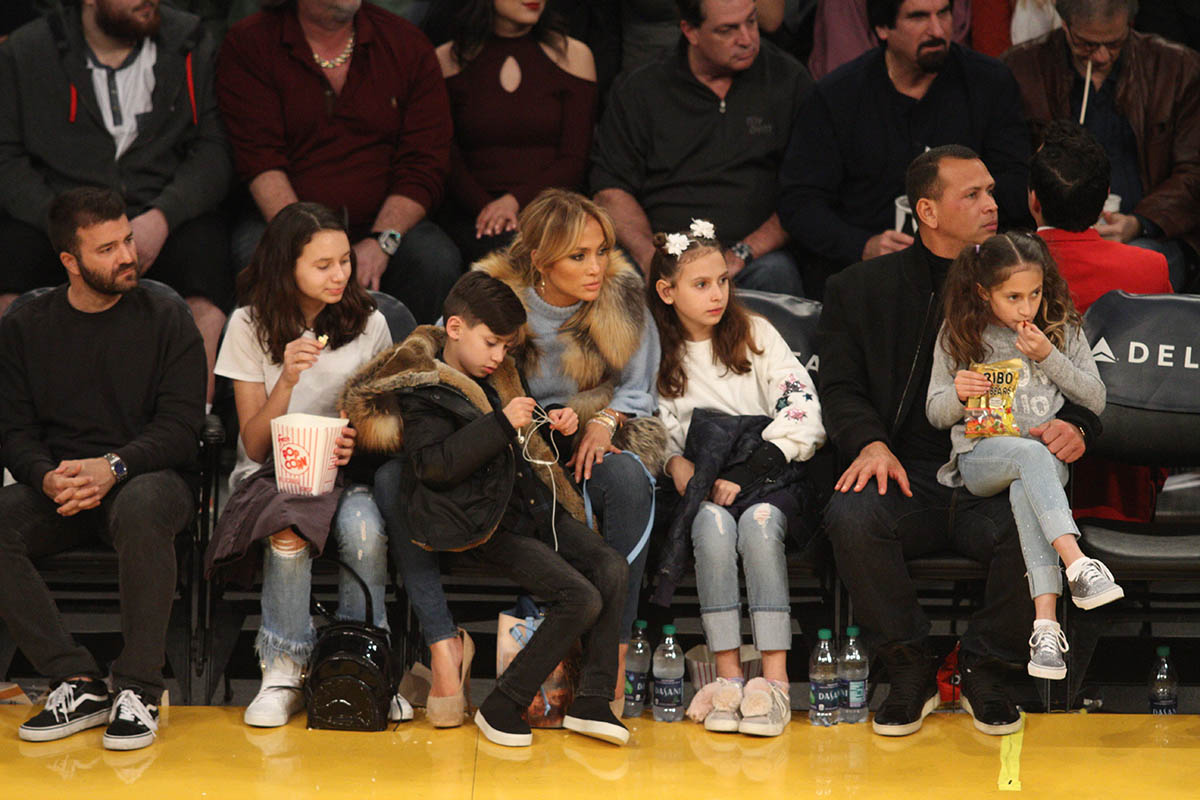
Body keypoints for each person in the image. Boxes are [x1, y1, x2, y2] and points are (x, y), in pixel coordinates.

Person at [818, 145, 1101, 737]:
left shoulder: (1023, 277)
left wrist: (1079, 425)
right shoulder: (858, 288)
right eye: (971, 195)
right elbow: (839, 387)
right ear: (927, 210)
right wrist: (869, 442)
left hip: (995, 464)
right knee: (851, 515)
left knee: (1032, 525)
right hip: (907, 468)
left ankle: (986, 666)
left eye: (992, 191)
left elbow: (1079, 373)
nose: (991, 204)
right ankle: (908, 664)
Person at [373, 189, 663, 724]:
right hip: (500, 433)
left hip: (585, 427)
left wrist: (600, 421)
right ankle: (443, 645)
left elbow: (639, 389)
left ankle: (610, 659)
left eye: (601, 250)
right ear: (540, 261)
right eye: (578, 256)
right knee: (397, 480)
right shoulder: (495, 294)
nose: (596, 266)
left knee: (624, 480)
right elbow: (443, 362)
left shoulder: (622, 294)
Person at [349, 270, 631, 747]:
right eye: (492, 343)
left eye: (506, 346)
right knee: (578, 596)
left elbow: (525, 443)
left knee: (612, 567)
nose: (500, 356)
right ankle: (504, 702)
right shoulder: (423, 384)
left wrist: (557, 423)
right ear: (455, 328)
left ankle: (593, 700)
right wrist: (502, 423)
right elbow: (433, 466)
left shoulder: (496, 370)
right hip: (479, 522)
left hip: (533, 506)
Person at [0, 187, 205, 751]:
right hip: (63, 487)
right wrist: (44, 475)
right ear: (69, 261)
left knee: (141, 506)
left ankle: (139, 686)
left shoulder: (167, 316)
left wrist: (114, 466)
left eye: (128, 240)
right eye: (107, 247)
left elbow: (185, 428)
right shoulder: (25, 326)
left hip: (150, 477)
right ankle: (75, 678)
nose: (127, 256)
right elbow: (13, 431)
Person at [202, 202, 395, 728]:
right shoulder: (249, 324)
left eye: (344, 262)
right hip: (272, 475)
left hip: (342, 472)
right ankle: (283, 669)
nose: (339, 276)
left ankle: (359, 664)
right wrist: (285, 379)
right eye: (322, 265)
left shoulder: (370, 323)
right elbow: (256, 446)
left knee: (365, 530)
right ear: (287, 266)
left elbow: (386, 419)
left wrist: (360, 440)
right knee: (288, 532)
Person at [0, 0, 232, 402]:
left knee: (206, 261)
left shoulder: (190, 40)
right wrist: (65, 224)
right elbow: (6, 157)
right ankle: (13, 420)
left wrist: (163, 216)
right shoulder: (26, 51)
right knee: (10, 263)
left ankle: (196, 423)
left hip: (159, 211)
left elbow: (214, 151)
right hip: (58, 214)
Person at [646, 221, 825, 737]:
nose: (717, 294)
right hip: (704, 480)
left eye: (722, 280)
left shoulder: (755, 333)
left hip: (771, 477)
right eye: (700, 285)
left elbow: (802, 409)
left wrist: (751, 471)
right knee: (712, 526)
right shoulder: (658, 353)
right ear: (667, 291)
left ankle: (771, 682)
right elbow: (654, 425)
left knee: (759, 524)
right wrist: (670, 462)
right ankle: (726, 677)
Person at [926, 231, 1119, 681]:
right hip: (980, 457)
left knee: (1028, 482)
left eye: (1034, 293)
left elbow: (1095, 397)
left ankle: (1046, 628)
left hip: (1039, 469)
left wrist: (1049, 355)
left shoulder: (1059, 327)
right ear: (983, 292)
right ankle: (1077, 563)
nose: (1026, 307)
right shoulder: (963, 332)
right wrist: (958, 394)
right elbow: (935, 412)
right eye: (1012, 296)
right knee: (1030, 457)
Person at [217, 0, 462, 323]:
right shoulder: (250, 44)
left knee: (435, 259)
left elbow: (424, 162)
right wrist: (310, 244)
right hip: (287, 218)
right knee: (258, 257)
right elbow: (260, 162)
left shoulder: (406, 44)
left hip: (385, 224)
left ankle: (417, 369)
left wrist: (382, 242)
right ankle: (283, 372)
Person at [779, 0, 1032, 297]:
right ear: (883, 28)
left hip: (971, 275)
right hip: (868, 281)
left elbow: (1016, 182)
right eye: (918, 17)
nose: (937, 30)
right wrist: (861, 246)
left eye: (944, 14)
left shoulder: (990, 83)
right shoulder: (837, 97)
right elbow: (800, 202)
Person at [591, 0, 811, 296]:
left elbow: (807, 190)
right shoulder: (641, 88)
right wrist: (650, 257)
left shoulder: (788, 80)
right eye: (727, 30)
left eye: (751, 22)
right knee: (615, 279)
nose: (747, 39)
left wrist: (744, 253)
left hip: (752, 259)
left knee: (777, 275)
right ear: (690, 31)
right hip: (663, 250)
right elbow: (611, 190)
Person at [1003, 0, 1200, 290]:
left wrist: (1138, 222)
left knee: (1142, 265)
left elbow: (1193, 170)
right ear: (1065, 26)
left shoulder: (1177, 68)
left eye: (1115, 43)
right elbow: (1009, 167)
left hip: (1147, 234)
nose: (1103, 55)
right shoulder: (1023, 68)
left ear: (1130, 25)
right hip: (1053, 231)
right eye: (1086, 45)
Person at [436, 0, 598, 264]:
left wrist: (514, 203)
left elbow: (574, 159)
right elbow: (446, 155)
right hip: (473, 214)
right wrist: (489, 210)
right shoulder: (447, 59)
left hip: (552, 209)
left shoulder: (575, 56)